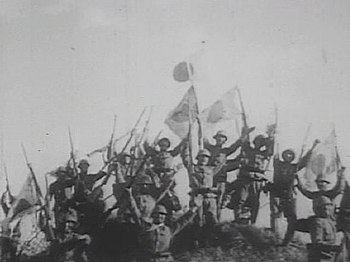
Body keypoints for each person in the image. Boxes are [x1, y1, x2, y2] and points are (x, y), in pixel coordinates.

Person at [269, 139, 319, 245]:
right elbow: (274, 152)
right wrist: (274, 138)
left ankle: (287, 240)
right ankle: (275, 237)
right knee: (275, 215)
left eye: (290, 154)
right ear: (283, 155)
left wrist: (313, 147)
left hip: (289, 195)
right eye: (286, 154)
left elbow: (305, 160)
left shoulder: (295, 167)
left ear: (293, 157)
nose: (288, 156)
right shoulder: (278, 164)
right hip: (276, 193)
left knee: (291, 218)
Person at [129, 197, 202, 262]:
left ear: (165, 217)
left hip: (164, 259)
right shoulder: (145, 227)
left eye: (162, 214)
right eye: (157, 214)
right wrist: (130, 197)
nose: (159, 216)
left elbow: (183, 220)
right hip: (146, 259)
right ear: (152, 215)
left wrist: (194, 208)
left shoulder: (169, 230)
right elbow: (135, 213)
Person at [230, 132, 274, 224]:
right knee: (240, 200)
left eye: (261, 142)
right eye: (257, 141)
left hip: (257, 180)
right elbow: (245, 141)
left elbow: (270, 149)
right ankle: (238, 219)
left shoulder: (264, 153)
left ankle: (253, 222)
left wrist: (271, 136)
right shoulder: (248, 150)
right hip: (245, 178)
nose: (259, 143)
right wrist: (246, 130)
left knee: (255, 202)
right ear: (254, 142)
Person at [189, 149, 225, 246]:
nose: (204, 159)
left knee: (213, 219)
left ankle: (211, 241)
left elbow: (222, 163)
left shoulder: (211, 170)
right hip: (198, 196)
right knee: (198, 220)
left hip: (210, 197)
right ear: (198, 158)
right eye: (202, 156)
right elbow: (194, 183)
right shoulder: (193, 169)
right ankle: (196, 242)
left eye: (206, 157)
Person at [307, 196, 340, 262]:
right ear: (318, 209)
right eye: (323, 208)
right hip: (320, 257)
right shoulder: (318, 222)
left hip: (330, 257)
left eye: (328, 206)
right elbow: (317, 243)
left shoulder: (330, 222)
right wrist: (333, 247)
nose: (326, 209)